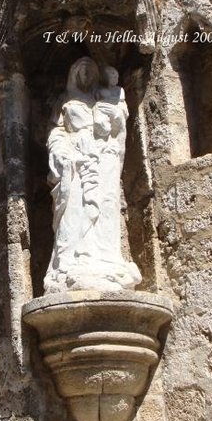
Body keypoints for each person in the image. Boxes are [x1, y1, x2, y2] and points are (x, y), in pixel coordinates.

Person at [44, 58, 141, 294]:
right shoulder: (64, 101)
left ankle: (106, 259)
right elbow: (55, 132)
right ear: (74, 75)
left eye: (90, 72)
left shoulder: (102, 98)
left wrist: (114, 120)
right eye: (82, 72)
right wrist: (61, 153)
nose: (86, 76)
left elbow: (117, 126)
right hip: (75, 160)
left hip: (102, 158)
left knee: (106, 205)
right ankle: (70, 262)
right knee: (74, 208)